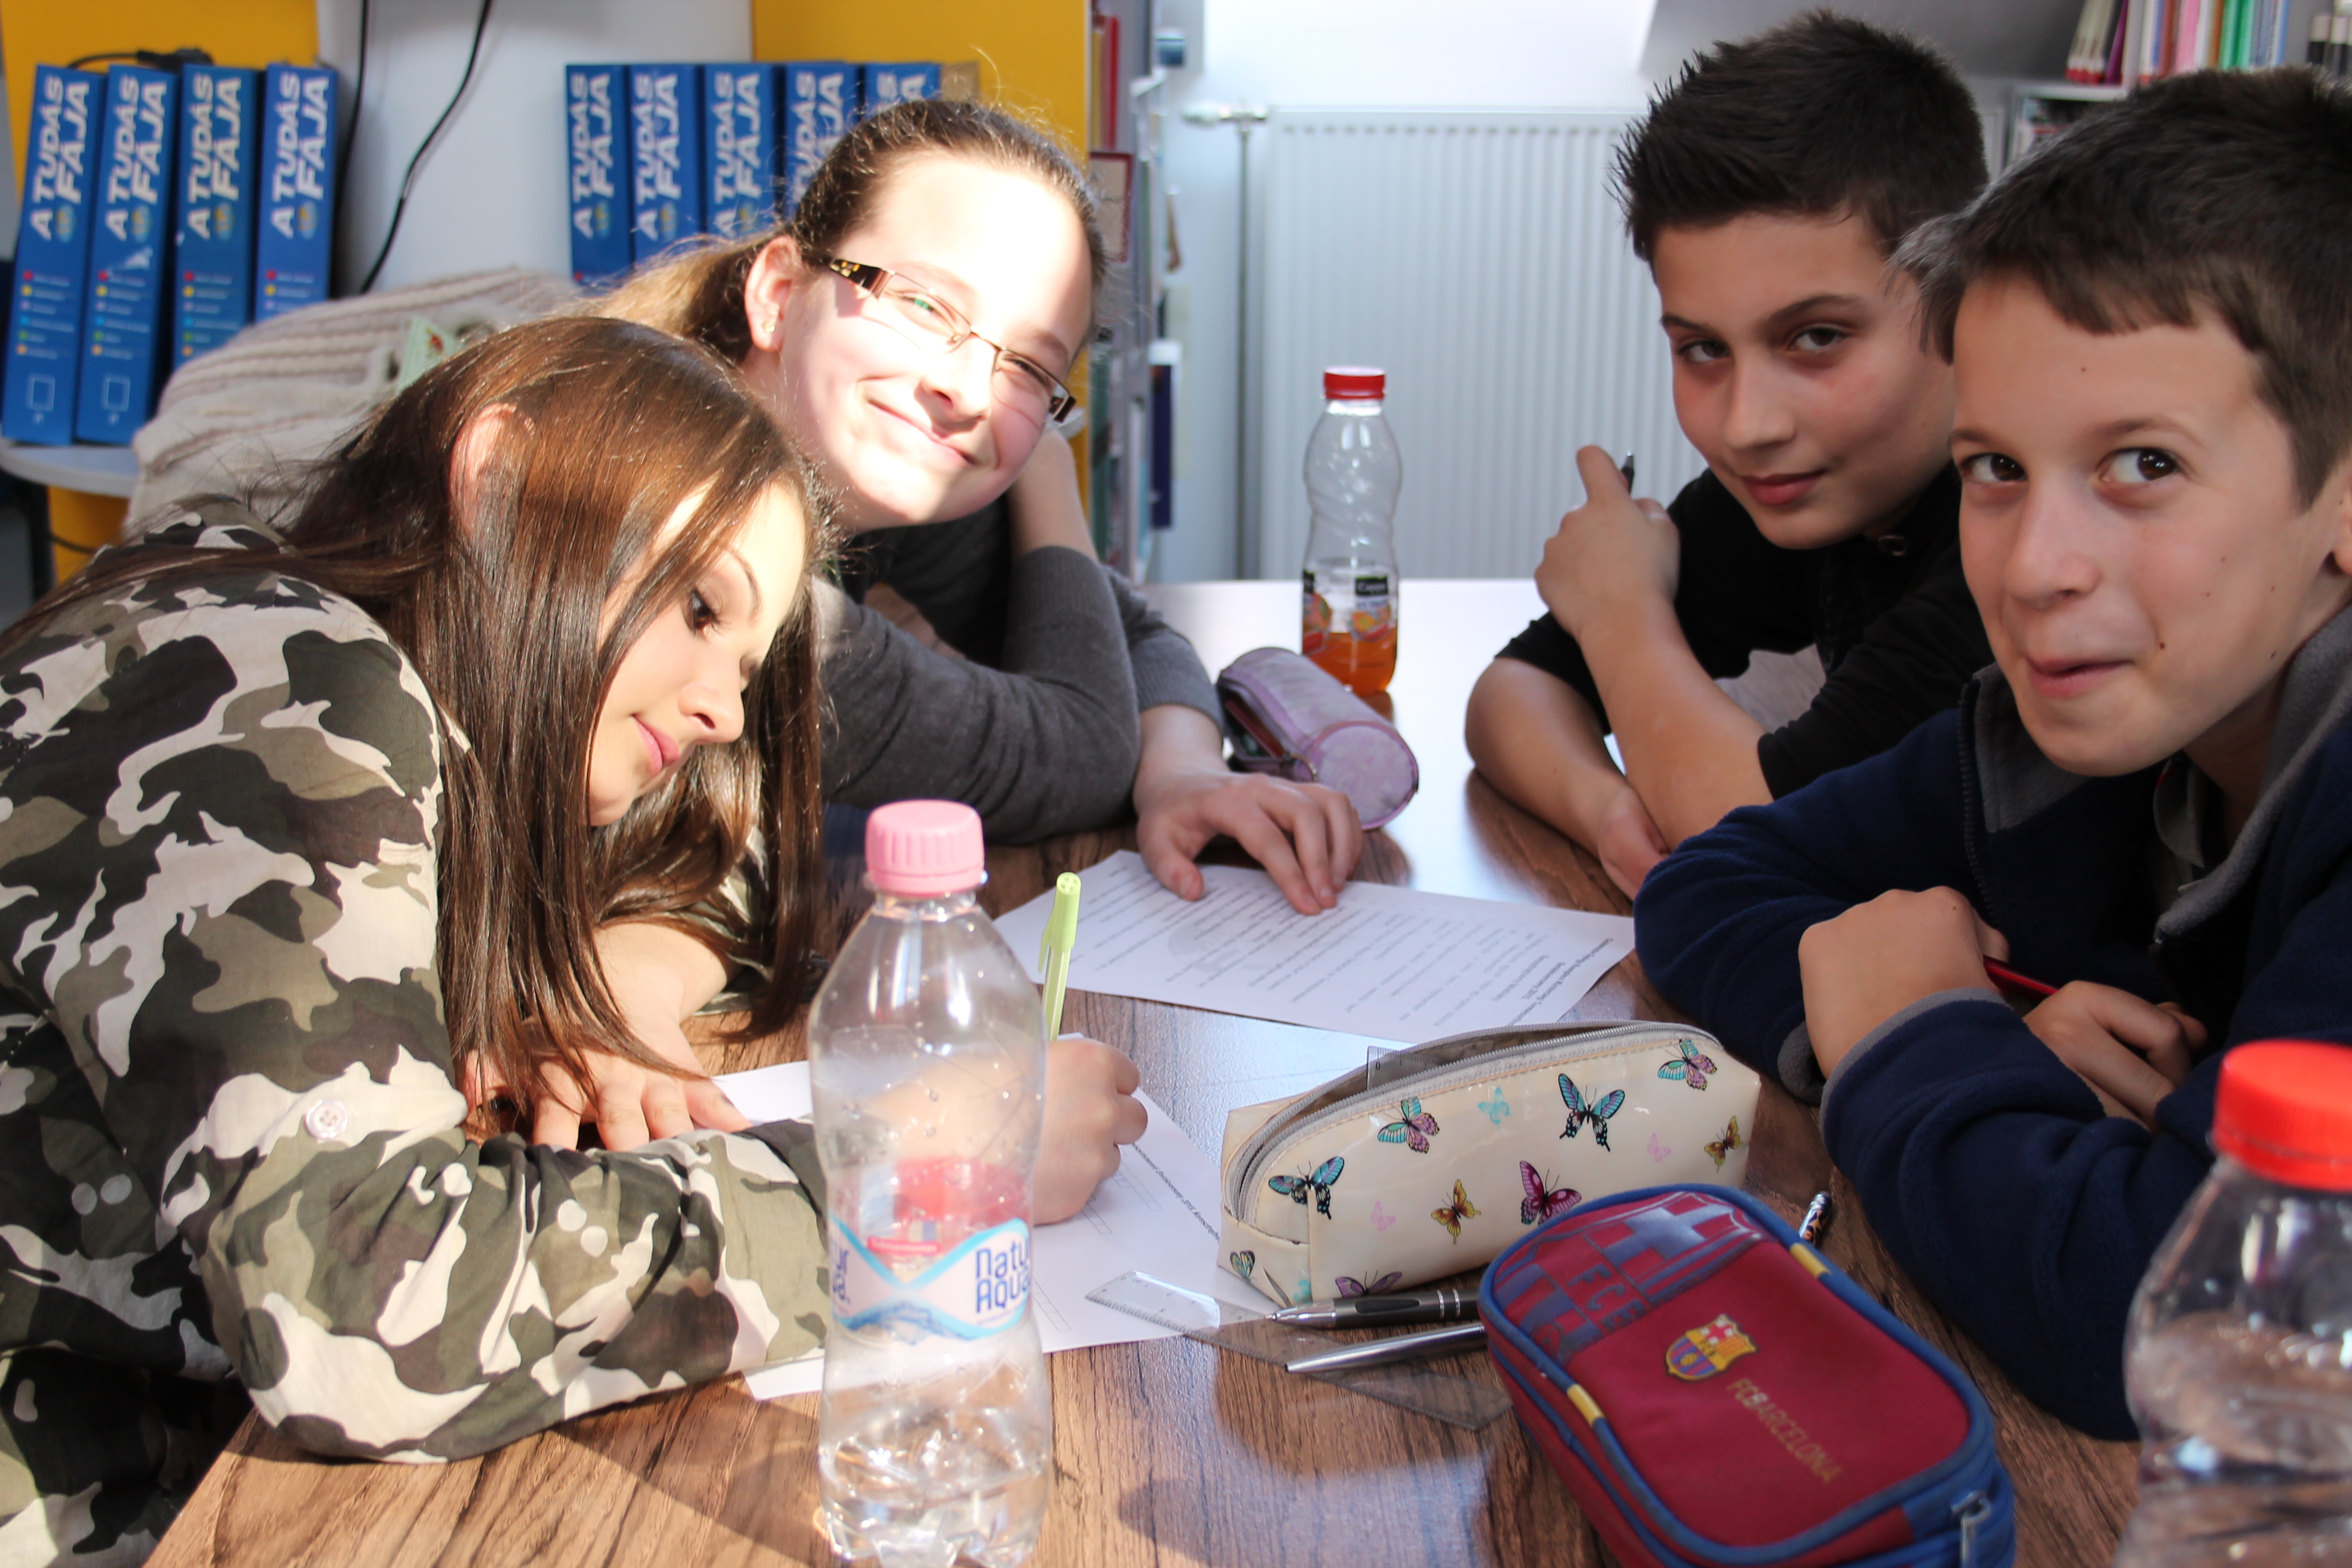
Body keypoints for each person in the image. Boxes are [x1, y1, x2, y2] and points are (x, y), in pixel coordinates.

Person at [0, 318, 1141, 1565]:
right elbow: (356, 1300)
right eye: (701, 606)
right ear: (499, 479)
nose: (722, 709)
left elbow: (711, 848)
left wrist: (628, 972)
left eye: (747, 662)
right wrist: (898, 1188)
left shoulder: (384, 678)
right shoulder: (272, 684)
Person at [1635, 67, 2352, 1438]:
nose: (2032, 568)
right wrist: (1991, 1033)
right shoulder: (2076, 722)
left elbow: (2164, 1325)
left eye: (2144, 465)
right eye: (1995, 469)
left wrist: (1912, 1030)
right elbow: (1707, 884)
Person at [600, 98, 1363, 918]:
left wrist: (1184, 772)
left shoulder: (854, 470)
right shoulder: (716, 566)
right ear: (780, 293)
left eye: (1030, 370)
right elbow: (1084, 754)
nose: (966, 391)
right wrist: (1046, 467)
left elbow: (1127, 636)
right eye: (925, 307)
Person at [1463, 13, 1994, 897]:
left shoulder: (2015, 535)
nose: (1748, 426)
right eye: (1703, 349)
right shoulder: (1811, 482)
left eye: (1817, 337)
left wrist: (1621, 610)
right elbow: (1511, 694)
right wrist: (1607, 810)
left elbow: (1769, 826)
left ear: (1963, 300)